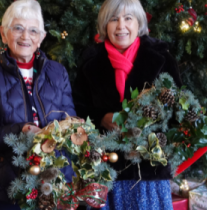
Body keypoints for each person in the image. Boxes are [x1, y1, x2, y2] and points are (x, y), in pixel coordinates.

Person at [73, 0, 182, 209]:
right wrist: (100, 118)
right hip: (105, 169)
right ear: (105, 25)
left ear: (138, 23)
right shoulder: (91, 61)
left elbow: (179, 109)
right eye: (113, 19)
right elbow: (78, 107)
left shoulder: (161, 58)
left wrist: (150, 126)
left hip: (148, 172)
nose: (121, 26)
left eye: (128, 18)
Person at [0, 1, 76, 209]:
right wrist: (21, 130)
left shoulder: (58, 72)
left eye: (33, 30)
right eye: (18, 28)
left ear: (42, 38)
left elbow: (68, 121)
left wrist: (74, 128)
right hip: (5, 185)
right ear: (3, 33)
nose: (26, 36)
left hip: (53, 182)